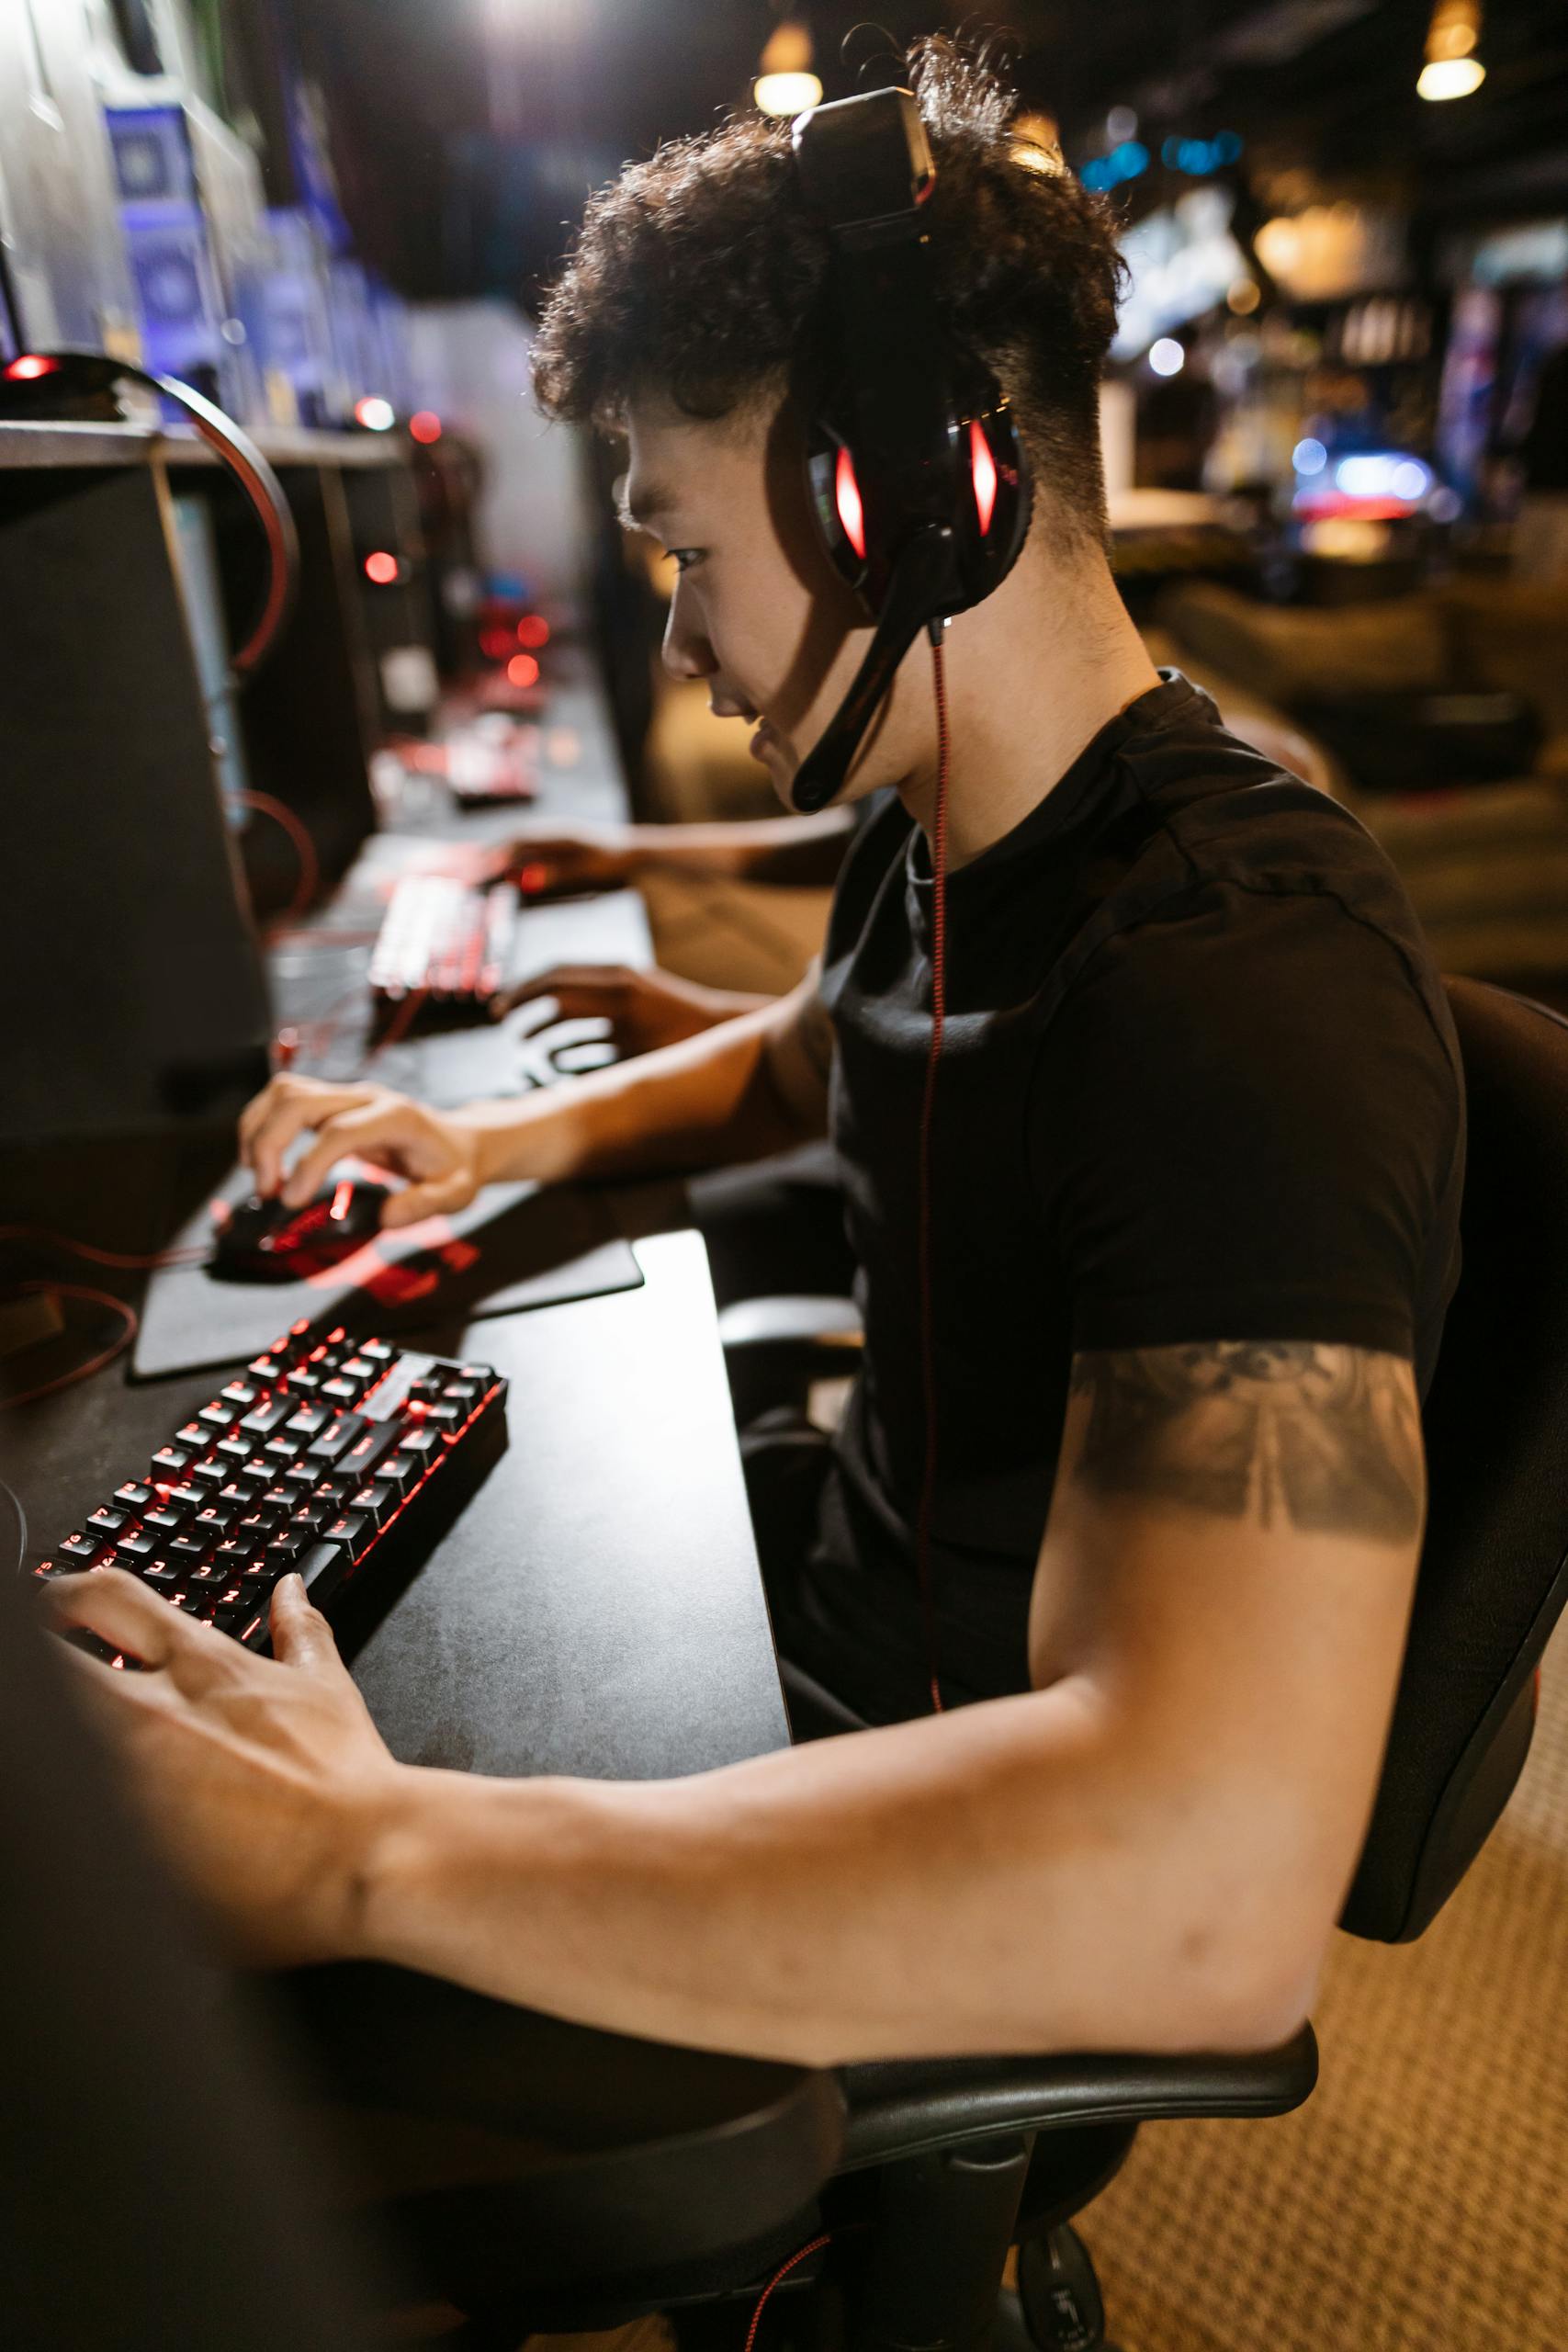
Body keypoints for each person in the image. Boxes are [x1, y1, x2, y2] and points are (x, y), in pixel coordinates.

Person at [49, 41, 1462, 2072]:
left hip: (937, 1833)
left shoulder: (1242, 989)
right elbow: (827, 1051)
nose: (680, 633)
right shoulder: (966, 818)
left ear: (900, 510)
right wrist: (492, 1146)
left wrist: (362, 1853)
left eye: (687, 552)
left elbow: (1204, 1891)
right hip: (814, 1627)